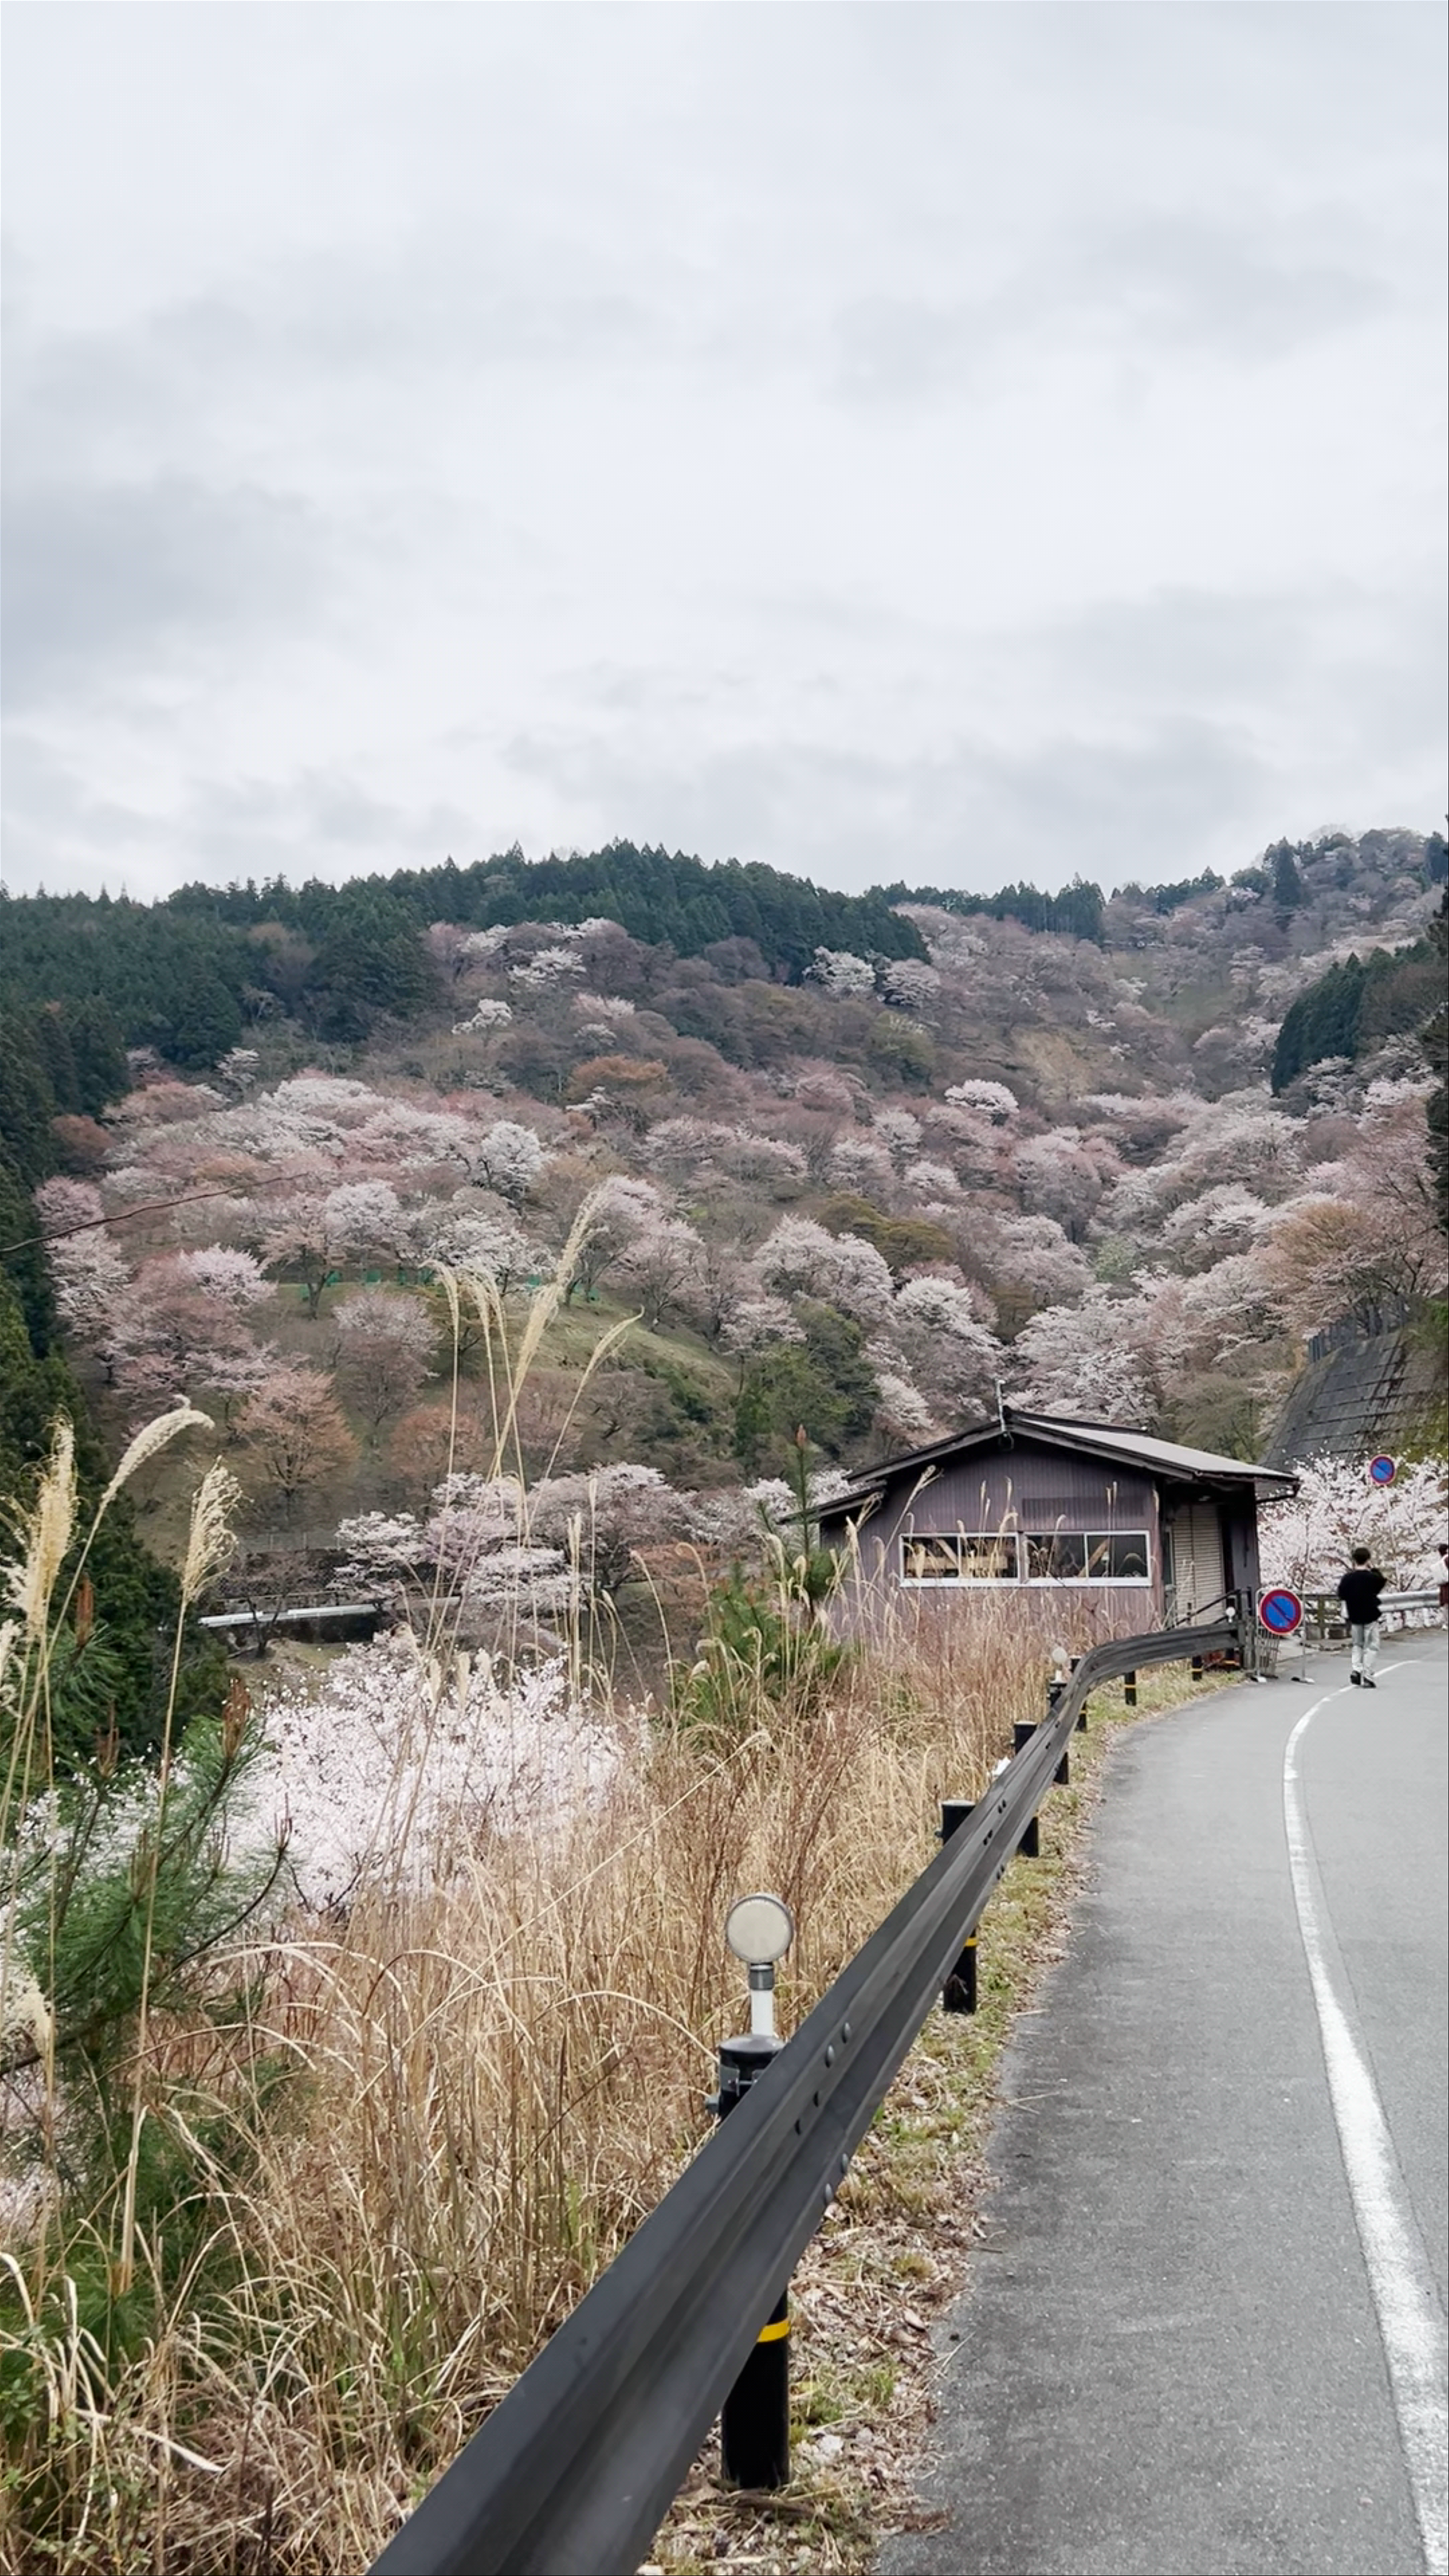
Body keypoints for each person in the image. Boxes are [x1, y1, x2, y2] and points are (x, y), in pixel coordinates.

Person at [1337, 1546, 1387, 1687]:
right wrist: (1374, 1569)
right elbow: (1381, 1582)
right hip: (1370, 1615)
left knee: (1357, 1644)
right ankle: (1368, 1676)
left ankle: (1356, 1669)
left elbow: (1341, 1595)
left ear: (1354, 1560)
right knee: (1372, 1646)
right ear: (1368, 1560)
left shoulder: (1348, 1579)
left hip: (1354, 1615)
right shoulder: (1372, 1578)